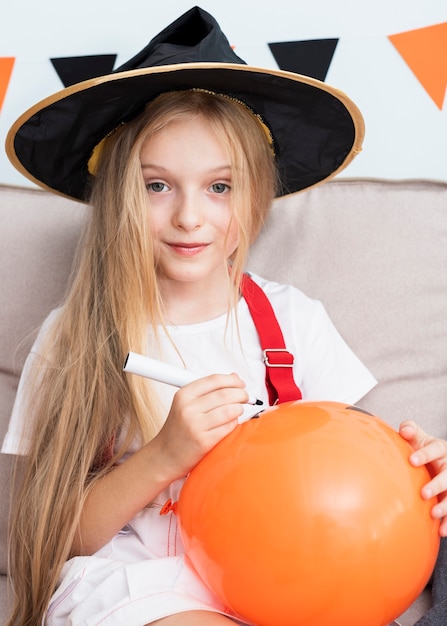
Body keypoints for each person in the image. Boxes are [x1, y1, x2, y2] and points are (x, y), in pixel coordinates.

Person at [2, 7, 446, 626]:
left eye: (219, 187)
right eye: (157, 186)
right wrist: (164, 455)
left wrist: (417, 472)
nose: (189, 217)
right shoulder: (75, 338)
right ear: (117, 196)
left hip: (278, 573)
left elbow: (355, 465)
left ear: (256, 193)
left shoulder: (292, 320)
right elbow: (58, 534)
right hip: (141, 584)